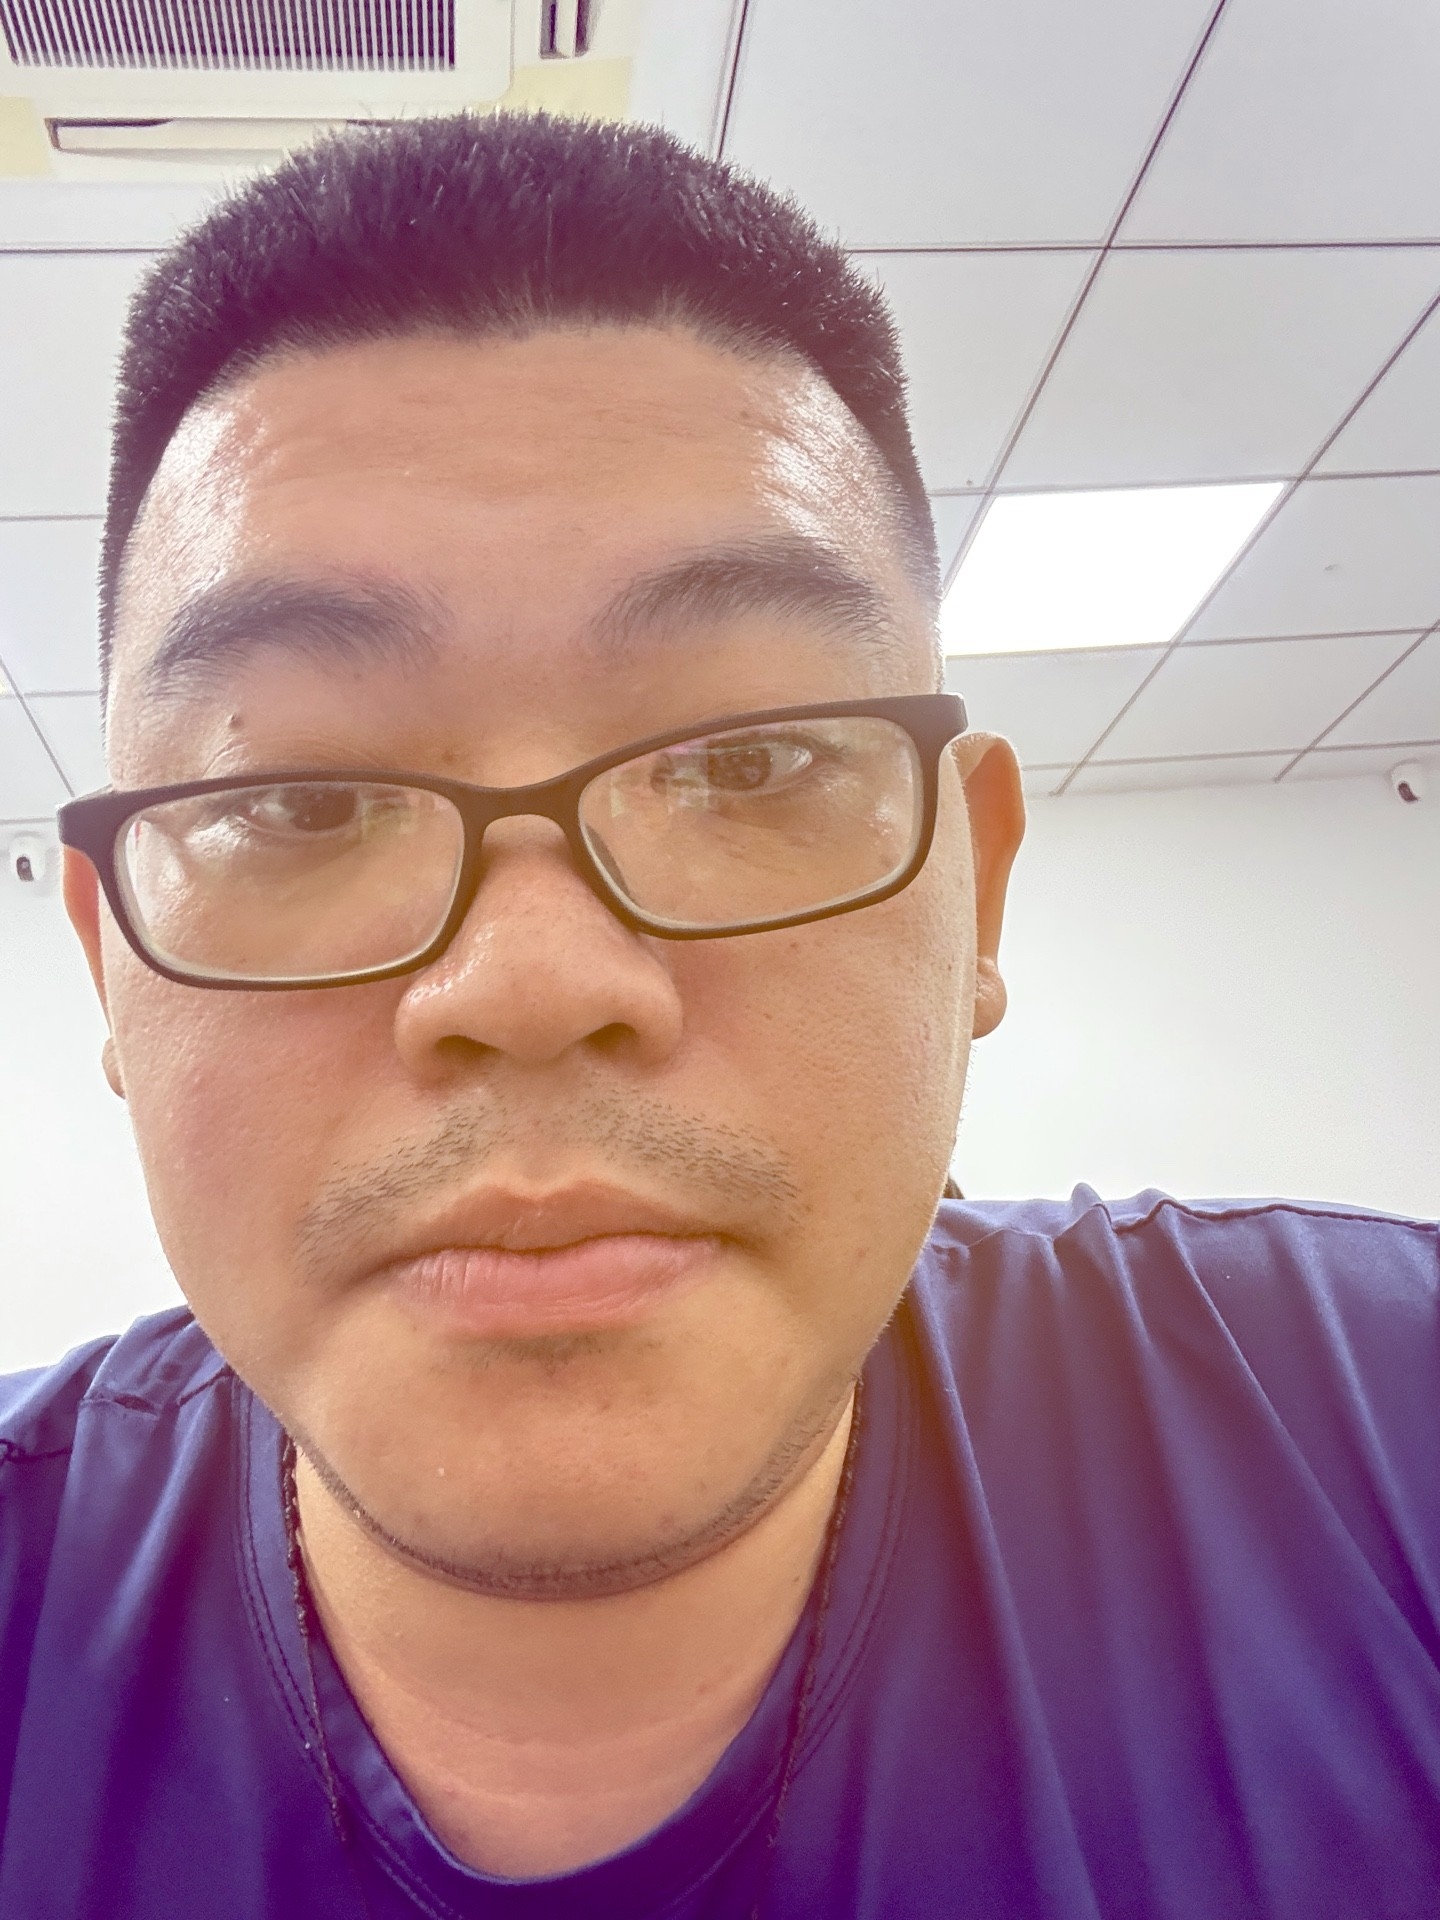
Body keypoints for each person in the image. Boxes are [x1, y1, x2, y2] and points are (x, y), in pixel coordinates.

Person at [2, 112, 1437, 1920]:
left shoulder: (1384, 1440)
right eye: (296, 802)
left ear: (977, 894)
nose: (532, 983)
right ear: (110, 964)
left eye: (748, 763)